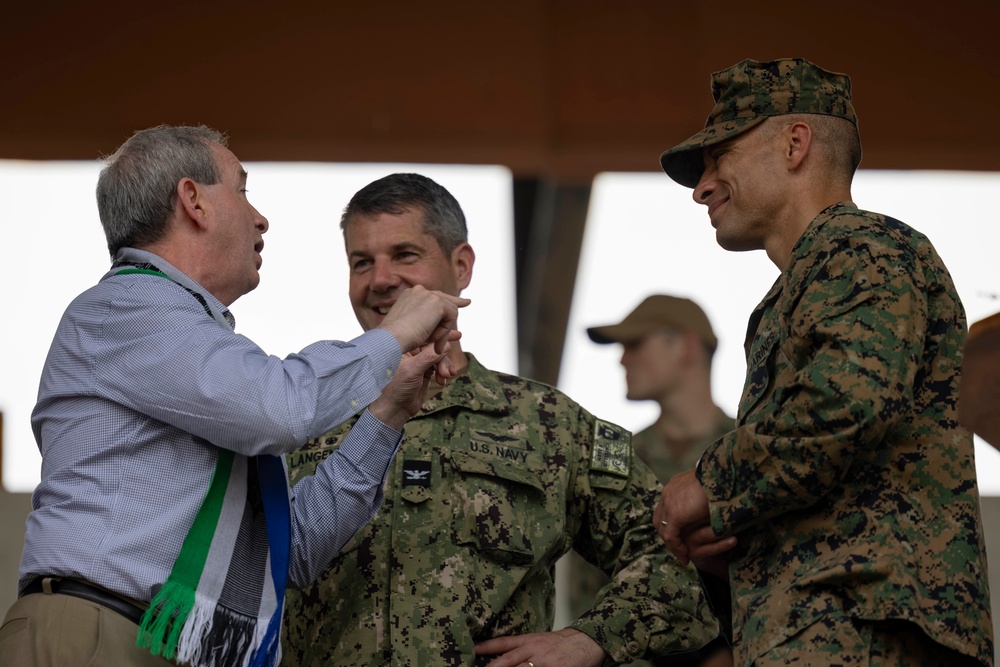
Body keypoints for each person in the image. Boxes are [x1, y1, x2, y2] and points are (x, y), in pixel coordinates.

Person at [0, 125, 468, 667]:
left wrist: (387, 412)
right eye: (243, 190)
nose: (260, 217)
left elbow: (288, 552)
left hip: (157, 641)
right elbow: (281, 409)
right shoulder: (130, 307)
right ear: (193, 200)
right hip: (100, 635)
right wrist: (390, 338)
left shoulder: (194, 346)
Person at [280, 173, 721, 667]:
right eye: (362, 262)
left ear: (461, 266)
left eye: (404, 255)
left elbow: (671, 558)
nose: (380, 279)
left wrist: (586, 640)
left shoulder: (550, 424)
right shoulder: (299, 414)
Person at [652, 58, 994, 666]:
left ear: (795, 143)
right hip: (818, 627)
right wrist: (736, 537)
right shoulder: (796, 290)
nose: (701, 186)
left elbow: (844, 406)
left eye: (719, 156)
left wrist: (710, 483)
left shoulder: (864, 248)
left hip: (861, 627)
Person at [561, 294, 735, 667]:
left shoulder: (754, 457)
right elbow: (589, 595)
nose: (622, 358)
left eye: (636, 343)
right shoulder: (617, 460)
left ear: (687, 347)